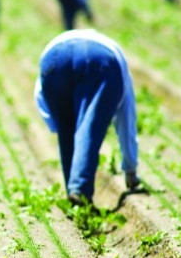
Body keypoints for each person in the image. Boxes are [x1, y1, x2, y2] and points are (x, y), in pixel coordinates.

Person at [34, 29, 141, 206]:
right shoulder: (123, 75)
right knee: (89, 126)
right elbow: (126, 121)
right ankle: (79, 189)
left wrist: (56, 124)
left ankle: (74, 194)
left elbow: (39, 94)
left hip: (53, 56)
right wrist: (130, 168)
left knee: (67, 130)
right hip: (101, 60)